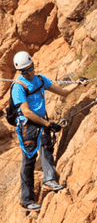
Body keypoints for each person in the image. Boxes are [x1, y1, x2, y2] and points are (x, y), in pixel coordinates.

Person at [11, 51, 86, 211]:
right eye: (24, 71)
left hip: (40, 121)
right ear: (19, 72)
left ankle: (50, 180)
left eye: (29, 68)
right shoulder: (18, 87)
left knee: (46, 148)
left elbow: (63, 92)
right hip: (28, 126)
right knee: (29, 162)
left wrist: (78, 83)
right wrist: (48, 124)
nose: (28, 72)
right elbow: (26, 112)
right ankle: (26, 200)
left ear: (33, 64)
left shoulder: (40, 79)